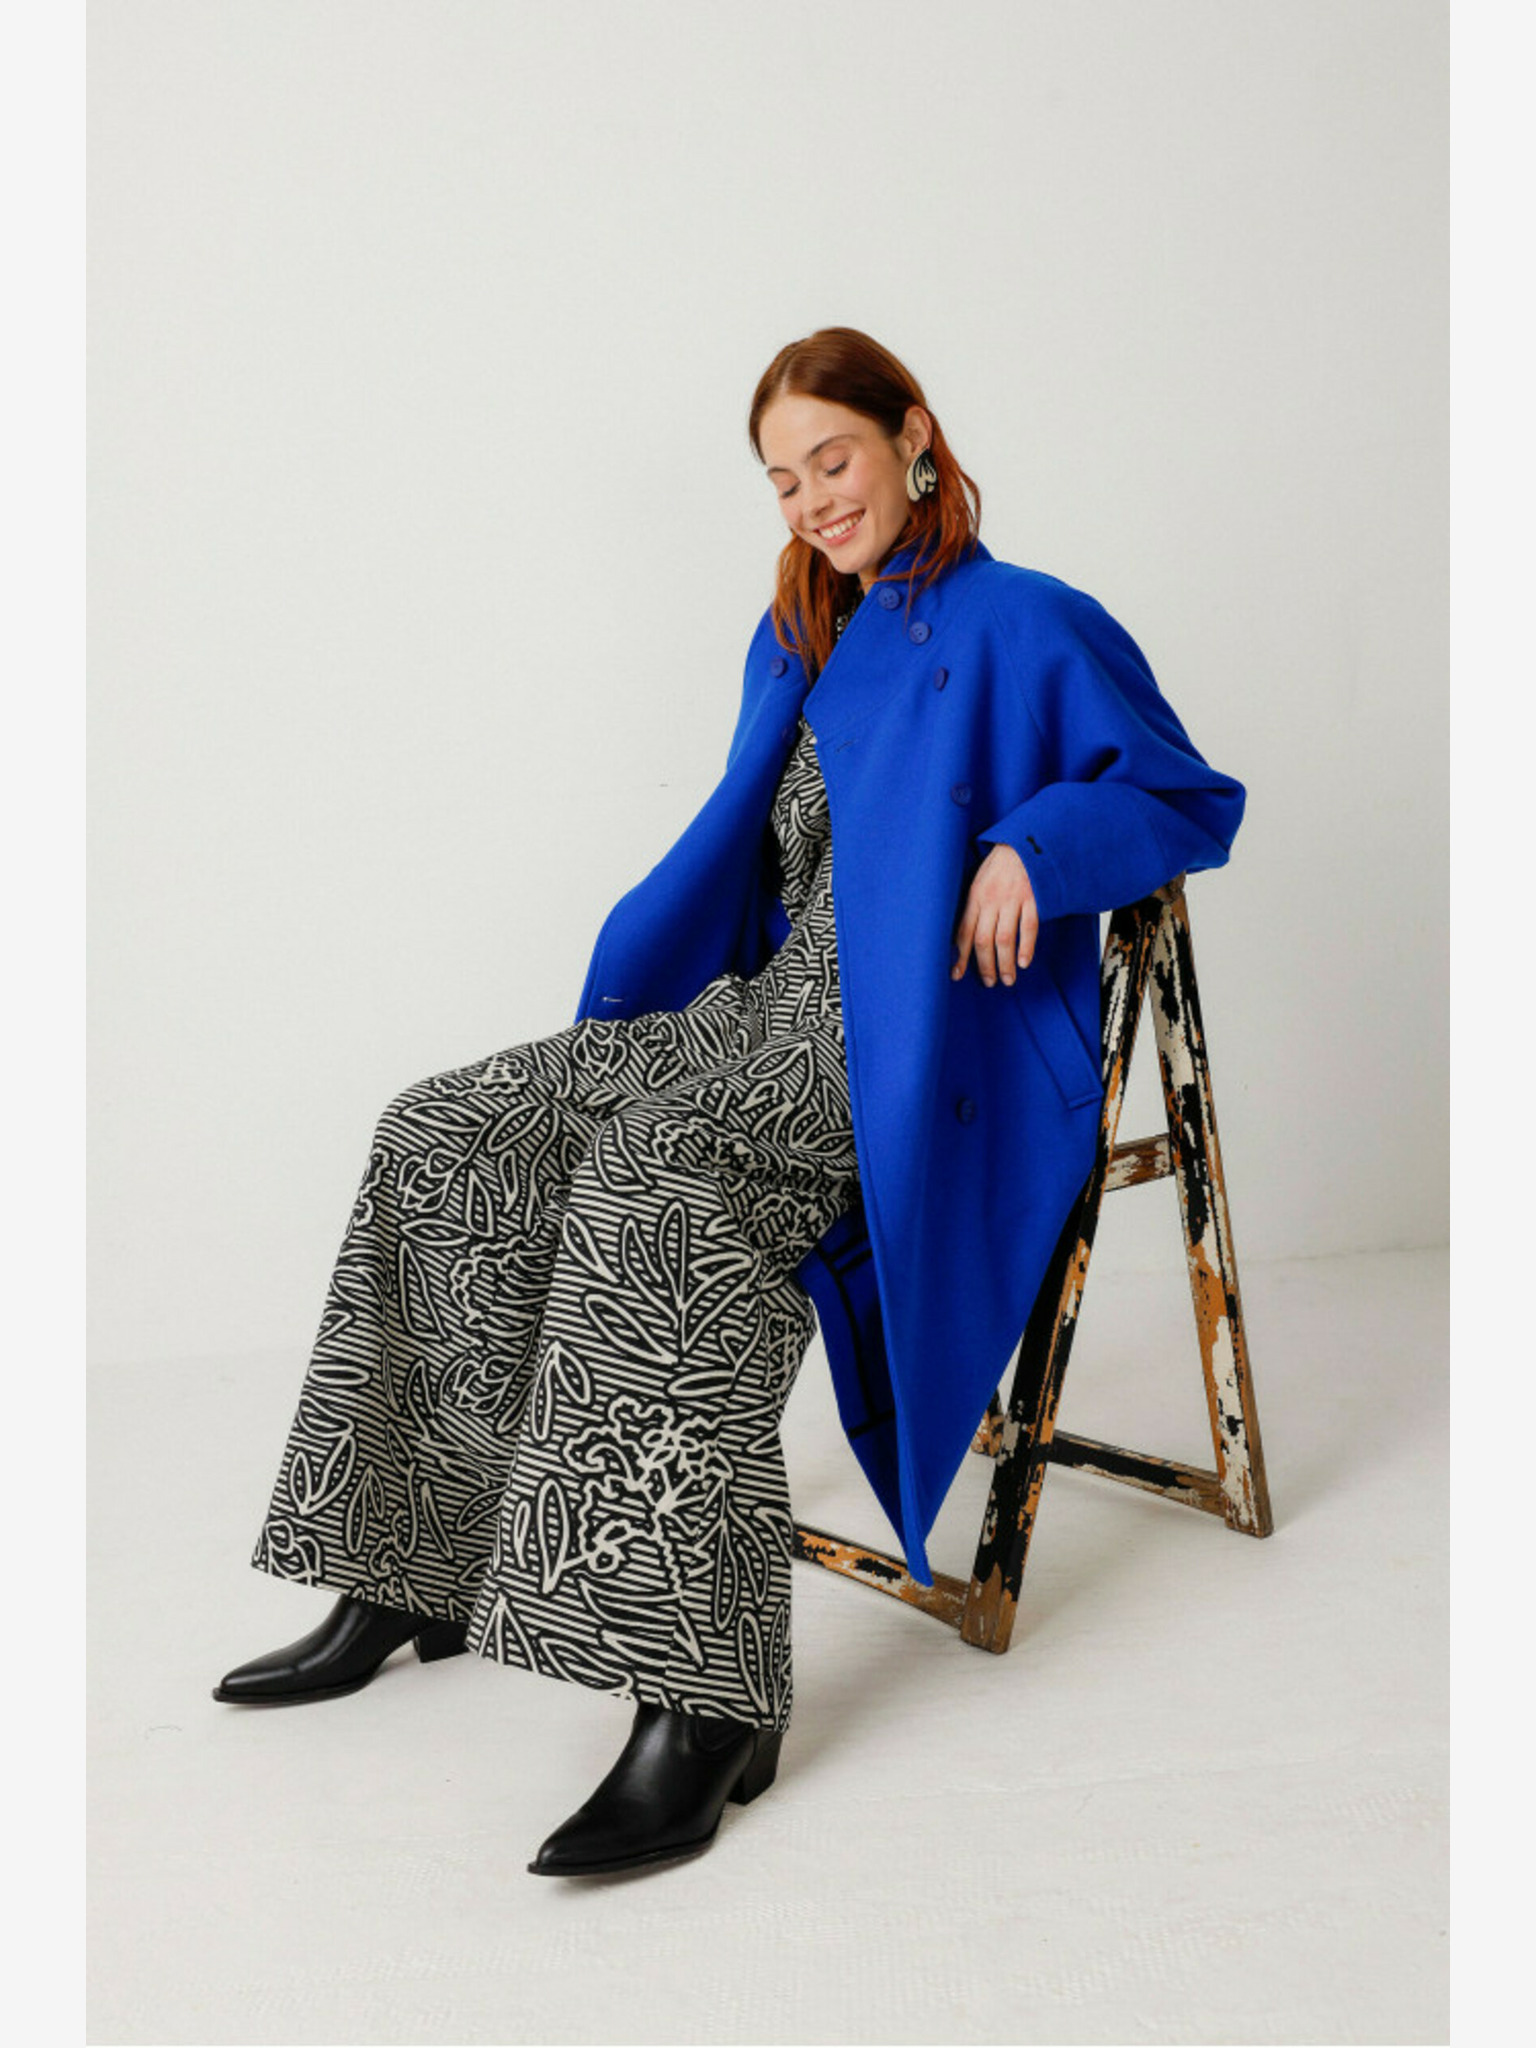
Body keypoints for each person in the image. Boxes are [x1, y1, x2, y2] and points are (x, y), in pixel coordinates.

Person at [213, 326, 1247, 1879]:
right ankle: (406, 1563)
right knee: (444, 1127)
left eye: (833, 459)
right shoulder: (800, 634)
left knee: (659, 1177)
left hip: (905, 1053)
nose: (813, 499)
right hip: (756, 1021)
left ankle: (702, 1698)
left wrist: (1037, 844)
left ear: (912, 439)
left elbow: (1186, 794)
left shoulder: (1033, 621)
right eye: (783, 479)